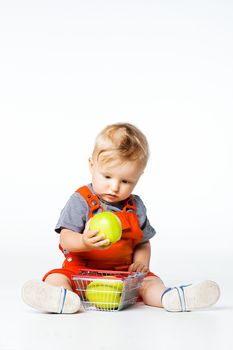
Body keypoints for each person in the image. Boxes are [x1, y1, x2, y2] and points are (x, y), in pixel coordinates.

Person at [22, 122, 220, 313]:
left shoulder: (135, 206)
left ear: (138, 177)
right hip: (81, 272)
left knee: (150, 282)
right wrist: (84, 241)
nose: (115, 187)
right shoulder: (81, 200)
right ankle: (61, 298)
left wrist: (141, 263)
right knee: (56, 277)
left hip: (124, 276)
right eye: (107, 177)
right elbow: (66, 237)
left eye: (125, 181)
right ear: (92, 165)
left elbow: (143, 242)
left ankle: (171, 298)